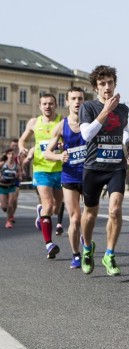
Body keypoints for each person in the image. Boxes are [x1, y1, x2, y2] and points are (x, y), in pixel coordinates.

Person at [79, 65, 129, 275]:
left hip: (116, 167)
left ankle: (109, 254)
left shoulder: (123, 109)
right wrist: (105, 111)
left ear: (115, 84)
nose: (107, 87)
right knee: (90, 215)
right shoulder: (89, 107)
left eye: (110, 82)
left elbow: (125, 131)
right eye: (102, 84)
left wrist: (128, 146)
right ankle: (87, 247)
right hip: (93, 167)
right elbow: (86, 135)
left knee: (115, 210)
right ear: (96, 87)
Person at [43, 87, 87, 268]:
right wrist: (59, 157)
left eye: (80, 99)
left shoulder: (90, 122)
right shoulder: (61, 126)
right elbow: (47, 153)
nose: (77, 102)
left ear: (84, 101)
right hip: (69, 176)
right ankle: (76, 255)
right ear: (67, 102)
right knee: (75, 218)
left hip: (88, 175)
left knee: (88, 216)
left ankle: (87, 241)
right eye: (74, 99)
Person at [18, 92, 64, 258]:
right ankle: (49, 244)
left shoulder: (62, 121)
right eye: (44, 104)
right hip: (41, 168)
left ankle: (41, 213)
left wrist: (62, 145)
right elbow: (22, 140)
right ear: (40, 106)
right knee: (49, 204)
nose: (48, 106)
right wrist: (22, 148)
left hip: (59, 168)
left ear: (55, 105)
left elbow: (70, 140)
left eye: (51, 103)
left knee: (56, 207)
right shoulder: (33, 122)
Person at [0, 149, 21, 228]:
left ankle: (8, 221)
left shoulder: (17, 165)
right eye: (9, 154)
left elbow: (20, 175)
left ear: (15, 155)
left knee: (10, 205)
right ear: (7, 155)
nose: (11, 156)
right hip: (2, 187)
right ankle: (6, 210)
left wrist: (18, 176)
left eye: (13, 154)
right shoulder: (2, 164)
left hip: (11, 187)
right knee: (4, 207)